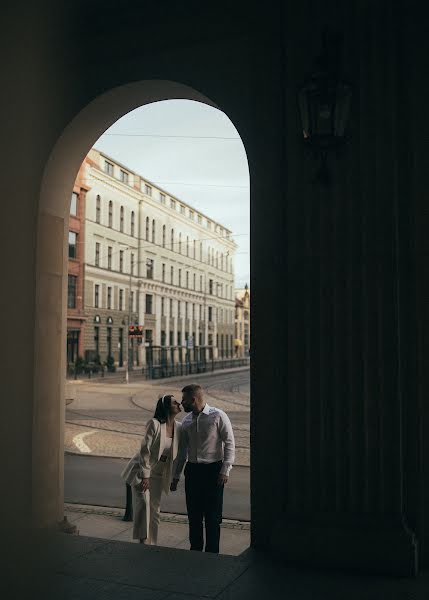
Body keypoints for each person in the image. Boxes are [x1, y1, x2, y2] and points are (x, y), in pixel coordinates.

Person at [170, 383, 235, 553]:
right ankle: (196, 550)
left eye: (184, 400)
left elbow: (229, 443)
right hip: (193, 472)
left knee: (213, 517)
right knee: (194, 516)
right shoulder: (186, 421)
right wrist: (175, 476)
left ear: (193, 399)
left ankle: (212, 553)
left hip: (214, 471)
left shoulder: (218, 415)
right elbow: (183, 450)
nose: (181, 403)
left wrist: (225, 470)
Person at [121, 394, 182, 544]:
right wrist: (145, 476)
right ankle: (143, 542)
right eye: (175, 402)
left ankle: (152, 543)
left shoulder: (179, 427)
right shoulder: (154, 424)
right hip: (142, 471)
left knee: (155, 510)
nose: (179, 403)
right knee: (144, 505)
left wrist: (175, 476)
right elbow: (145, 451)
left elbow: (179, 454)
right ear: (167, 407)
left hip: (160, 472)